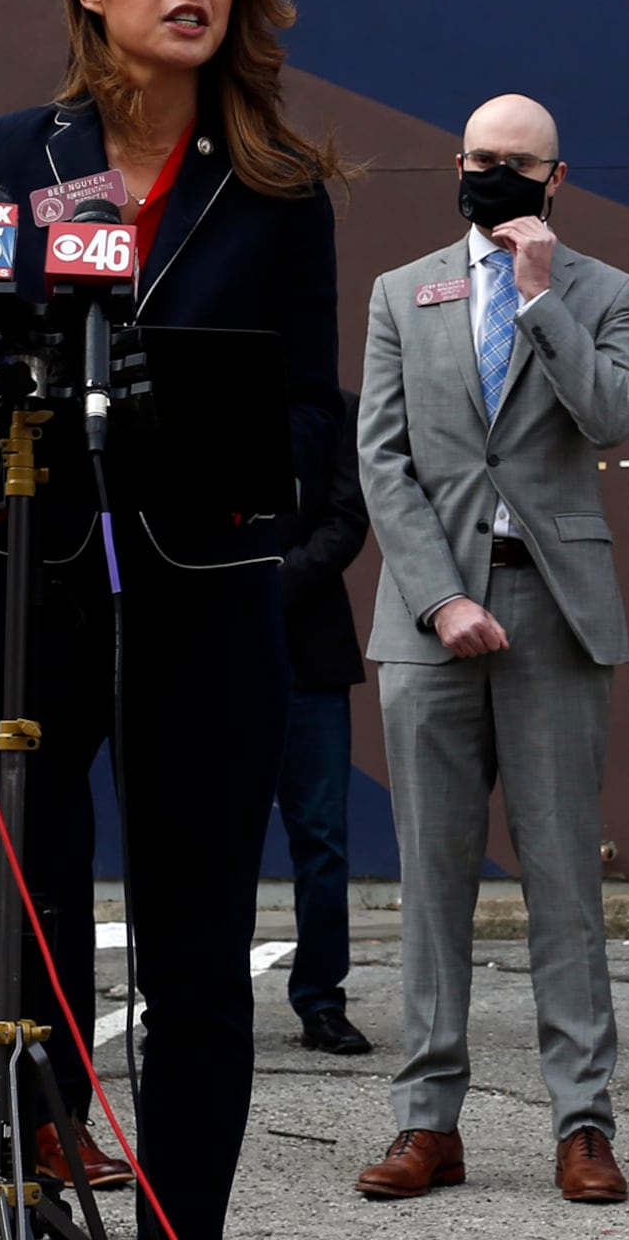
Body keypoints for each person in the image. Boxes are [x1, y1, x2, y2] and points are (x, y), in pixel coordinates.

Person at [0, 0, 359, 1240]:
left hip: (201, 603)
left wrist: (234, 484)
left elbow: (303, 415)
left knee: (198, 965)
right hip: (19, 589)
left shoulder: (279, 189)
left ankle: (177, 1230)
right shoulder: (6, 160)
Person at [351, 95, 629, 1208]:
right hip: (431, 627)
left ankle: (583, 1123)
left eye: (518, 165)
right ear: (457, 163)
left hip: (555, 615)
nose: (495, 176)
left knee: (565, 881)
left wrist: (537, 298)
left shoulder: (603, 292)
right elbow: (385, 461)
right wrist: (436, 599)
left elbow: (613, 415)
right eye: (481, 159)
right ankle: (428, 1123)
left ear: (555, 177)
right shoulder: (400, 291)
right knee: (431, 882)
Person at [273, 369, 377, 1057]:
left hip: (308, 654)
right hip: (210, 657)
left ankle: (320, 1000)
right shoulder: (198, 395)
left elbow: (348, 519)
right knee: (199, 840)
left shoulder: (337, 410)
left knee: (321, 840)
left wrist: (268, 584)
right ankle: (190, 998)